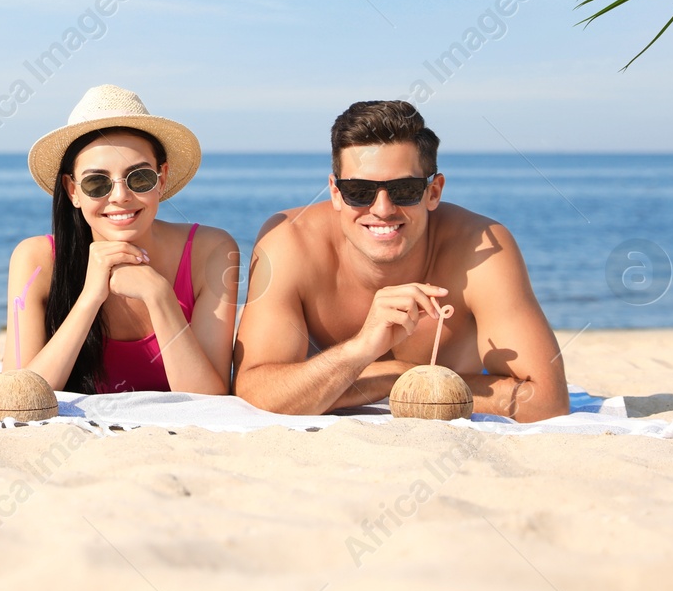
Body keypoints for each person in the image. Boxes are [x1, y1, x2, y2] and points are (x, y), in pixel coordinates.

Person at [233, 100, 570, 422]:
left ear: (433, 192)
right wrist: (365, 354)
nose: (382, 209)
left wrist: (402, 381)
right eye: (360, 191)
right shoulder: (291, 242)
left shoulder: (481, 247)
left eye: (404, 189)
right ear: (336, 194)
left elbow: (546, 401)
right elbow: (255, 391)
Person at [3, 84, 239, 394]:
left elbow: (209, 401)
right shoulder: (36, 260)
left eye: (139, 178)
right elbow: (18, 397)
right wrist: (90, 298)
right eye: (97, 182)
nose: (120, 196)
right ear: (72, 190)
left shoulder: (211, 251)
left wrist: (160, 296)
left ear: (162, 179)